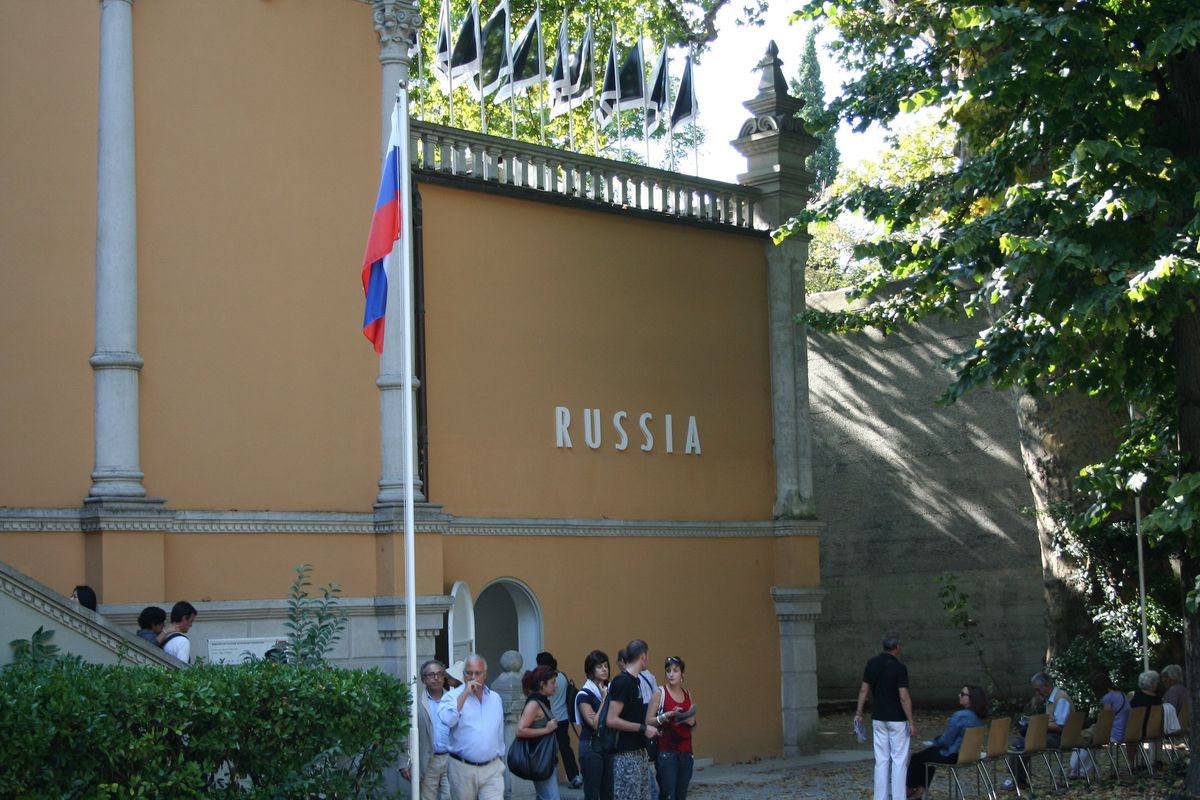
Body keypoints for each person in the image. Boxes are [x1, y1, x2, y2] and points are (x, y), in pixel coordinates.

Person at [855, 631, 915, 800]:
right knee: (899, 761)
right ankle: (898, 797)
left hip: (878, 718)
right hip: (897, 719)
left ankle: (879, 797)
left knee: (881, 761)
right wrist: (911, 721)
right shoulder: (900, 668)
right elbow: (903, 696)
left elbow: (863, 690)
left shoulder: (871, 664)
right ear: (897, 647)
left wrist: (859, 713)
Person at [440, 654, 505, 800]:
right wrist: (465, 694)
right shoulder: (451, 697)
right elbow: (448, 720)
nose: (473, 677)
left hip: (492, 769)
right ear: (463, 675)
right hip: (462, 769)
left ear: (485, 675)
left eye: (477, 673)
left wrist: (500, 757)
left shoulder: (495, 698)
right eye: (469, 673)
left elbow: (499, 731)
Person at [904, 684, 987, 799]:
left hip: (952, 755)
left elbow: (946, 742)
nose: (959, 695)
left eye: (962, 694)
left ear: (971, 698)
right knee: (928, 756)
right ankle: (918, 792)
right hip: (969, 755)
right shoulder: (979, 718)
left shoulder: (960, 716)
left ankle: (910, 789)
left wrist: (935, 741)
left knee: (917, 758)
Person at [606, 639, 660, 800]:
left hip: (639, 752)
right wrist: (643, 728)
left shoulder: (636, 681)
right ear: (643, 656)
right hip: (625, 755)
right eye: (648, 655)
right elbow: (611, 719)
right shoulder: (622, 682)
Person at [1003, 672, 1071, 791]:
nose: (1038, 693)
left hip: (1060, 737)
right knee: (1018, 744)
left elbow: (1061, 726)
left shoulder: (1061, 699)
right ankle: (1019, 779)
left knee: (1024, 744)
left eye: (1038, 690)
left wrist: (1039, 724)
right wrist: (1034, 721)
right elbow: (1052, 721)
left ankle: (1020, 781)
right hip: (1051, 735)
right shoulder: (1052, 698)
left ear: (1047, 686)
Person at [647, 656, 696, 800]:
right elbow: (648, 720)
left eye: (675, 670)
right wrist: (667, 715)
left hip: (686, 751)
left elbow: (693, 722)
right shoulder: (659, 693)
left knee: (681, 794)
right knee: (668, 794)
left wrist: (686, 717)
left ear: (682, 674)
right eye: (668, 671)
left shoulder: (687, 694)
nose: (671, 674)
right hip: (666, 753)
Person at [402, 659, 452, 800]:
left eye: (439, 674)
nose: (436, 678)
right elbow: (405, 733)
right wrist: (403, 763)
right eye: (431, 675)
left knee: (450, 795)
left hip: (450, 759)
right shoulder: (415, 704)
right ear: (424, 679)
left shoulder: (453, 700)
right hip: (428, 760)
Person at [538, 651, 582, 789]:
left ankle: (549, 778)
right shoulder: (562, 676)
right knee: (565, 748)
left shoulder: (546, 680)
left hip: (549, 719)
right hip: (563, 718)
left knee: (547, 749)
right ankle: (574, 777)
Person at [517, 665, 562, 800]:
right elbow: (520, 730)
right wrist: (546, 729)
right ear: (542, 684)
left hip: (546, 760)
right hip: (540, 760)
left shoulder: (542, 702)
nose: (556, 686)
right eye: (553, 682)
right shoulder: (534, 704)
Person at [575, 649, 612, 800]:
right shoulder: (584, 694)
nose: (604, 669)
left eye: (606, 666)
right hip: (591, 746)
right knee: (593, 792)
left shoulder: (609, 690)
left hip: (607, 745)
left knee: (608, 791)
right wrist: (604, 700)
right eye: (599, 666)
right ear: (591, 670)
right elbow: (594, 724)